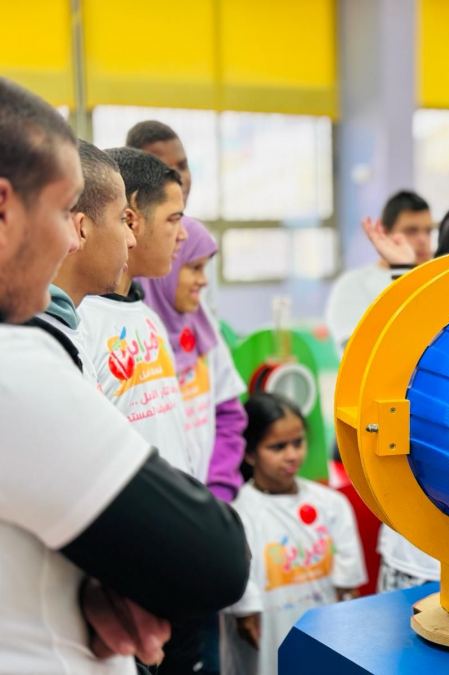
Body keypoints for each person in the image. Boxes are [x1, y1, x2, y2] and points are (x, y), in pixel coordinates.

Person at [0, 76, 249, 674]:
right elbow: (216, 558)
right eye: (63, 211)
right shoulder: (16, 365)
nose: (71, 236)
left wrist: (85, 580)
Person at [360, 203, 449, 591]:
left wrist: (403, 275)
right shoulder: (448, 314)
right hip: (428, 546)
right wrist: (403, 275)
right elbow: (399, 352)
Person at [221, 393, 366, 675]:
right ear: (249, 453)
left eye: (297, 443)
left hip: (324, 637)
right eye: (277, 447)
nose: (292, 455)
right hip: (269, 638)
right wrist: (245, 614)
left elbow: (348, 587)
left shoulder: (332, 504)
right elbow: (241, 592)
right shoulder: (238, 514)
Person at [78, 147, 195, 475]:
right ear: (131, 219)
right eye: (174, 219)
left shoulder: (148, 316)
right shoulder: (81, 322)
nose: (183, 235)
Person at [140, 209, 248, 503]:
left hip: (209, 500)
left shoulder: (202, 325)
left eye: (205, 269)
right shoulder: (138, 334)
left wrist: (219, 490)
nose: (203, 281)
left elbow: (228, 414)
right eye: (194, 268)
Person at [30, 140, 135, 384]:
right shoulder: (39, 351)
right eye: (122, 219)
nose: (131, 240)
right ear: (82, 229)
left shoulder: (64, 328)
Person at [325, 190, 434, 351]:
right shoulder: (353, 284)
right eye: (411, 231)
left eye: (428, 231)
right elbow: (359, 353)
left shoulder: (437, 281)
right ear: (385, 232)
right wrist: (403, 269)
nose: (423, 240)